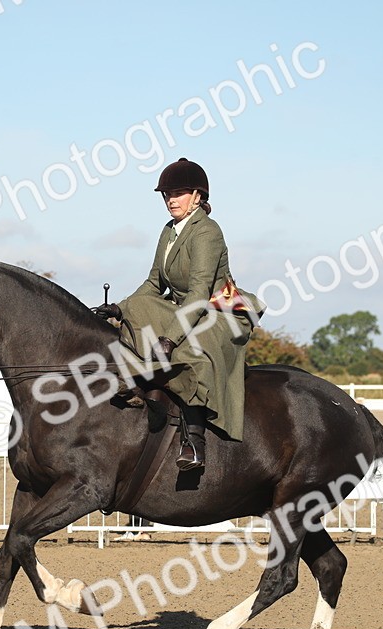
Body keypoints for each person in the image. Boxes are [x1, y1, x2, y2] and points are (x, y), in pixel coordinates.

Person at [93, 158, 263, 470]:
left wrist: (170, 338)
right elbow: (154, 283)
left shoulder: (207, 232)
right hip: (185, 307)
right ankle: (131, 386)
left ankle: (195, 442)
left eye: (179, 193)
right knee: (139, 308)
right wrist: (119, 308)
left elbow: (199, 292)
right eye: (167, 194)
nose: (171, 199)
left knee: (190, 353)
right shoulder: (168, 231)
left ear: (198, 196)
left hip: (219, 311)